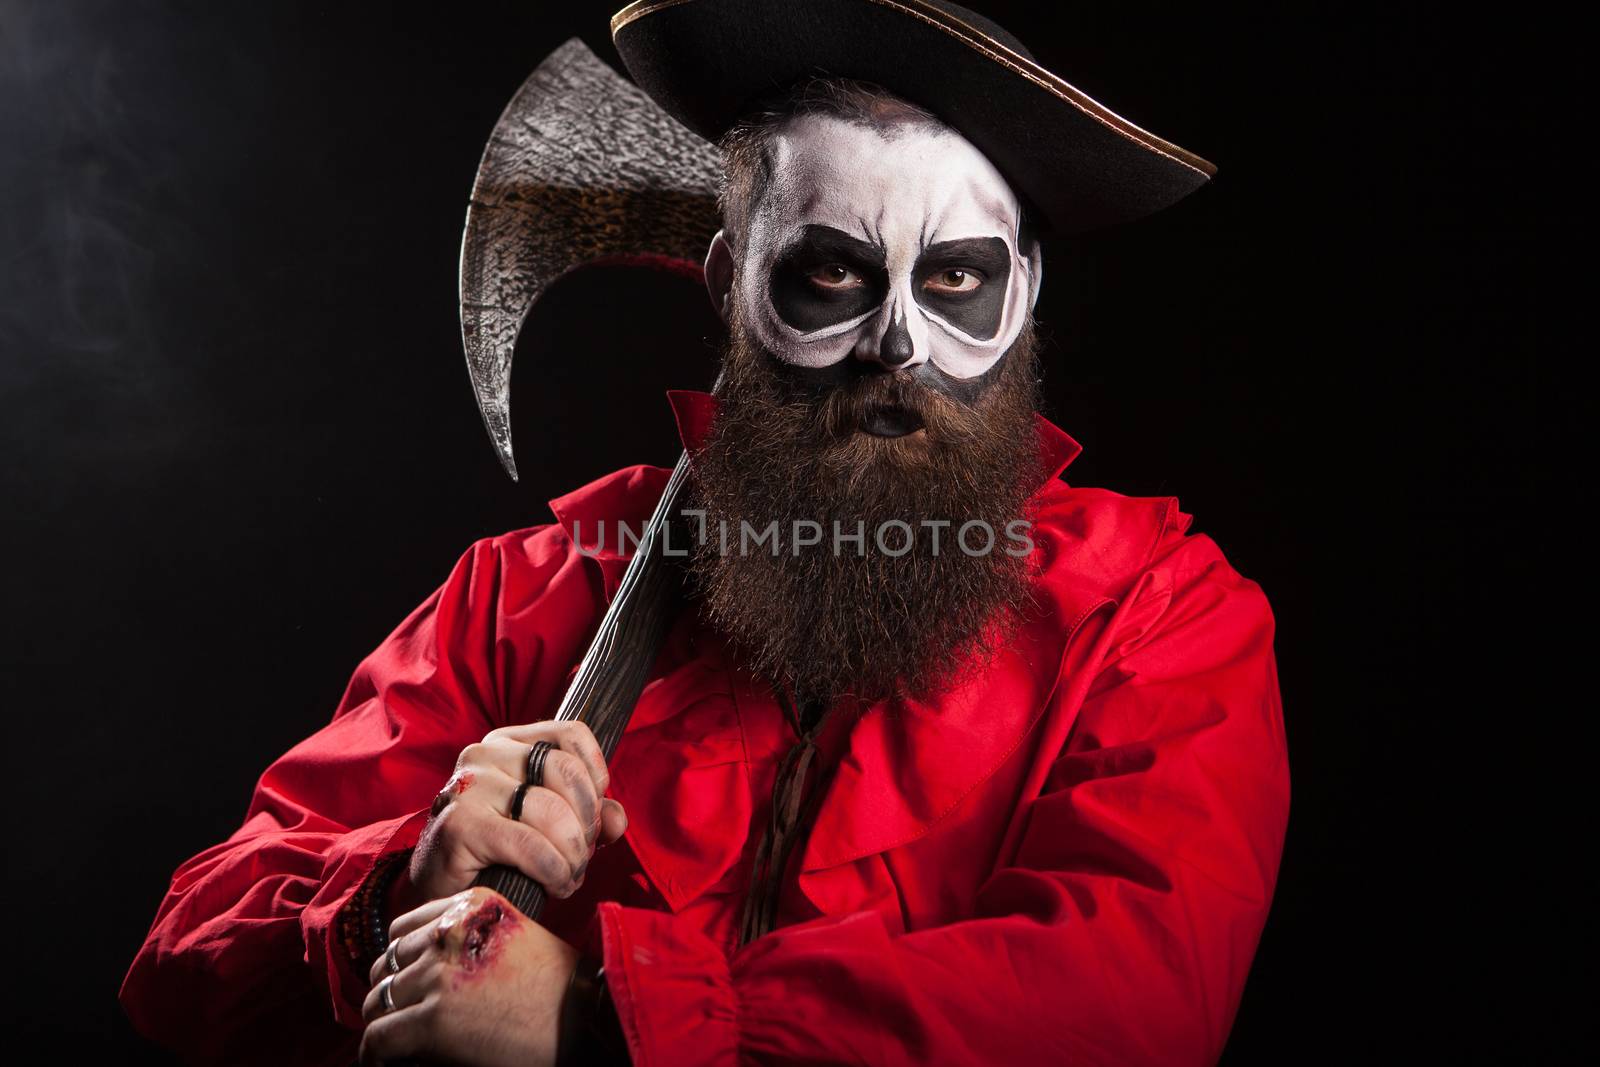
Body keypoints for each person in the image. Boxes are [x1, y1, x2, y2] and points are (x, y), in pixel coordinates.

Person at [121, 3, 1289, 1064]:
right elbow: (185, 955)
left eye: (956, 280)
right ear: (732, 279)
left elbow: (1128, 1005)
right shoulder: (525, 594)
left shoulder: (1158, 614)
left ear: (1023, 292)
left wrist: (595, 1021)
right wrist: (391, 894)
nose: (898, 344)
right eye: (831, 271)